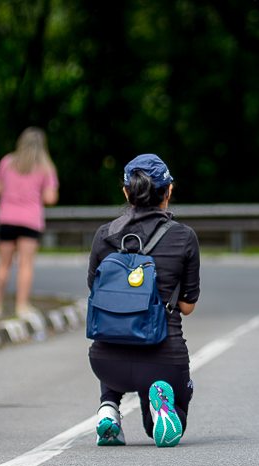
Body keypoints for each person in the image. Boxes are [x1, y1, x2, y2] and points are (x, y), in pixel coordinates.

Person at [87, 154, 200, 447]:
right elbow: (187, 307)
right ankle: (160, 404)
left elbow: (95, 292)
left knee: (116, 325)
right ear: (168, 191)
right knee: (175, 407)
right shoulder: (184, 237)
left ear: (127, 192)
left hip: (106, 363)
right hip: (163, 357)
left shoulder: (104, 235)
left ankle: (108, 409)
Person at [0, 127, 59, 319]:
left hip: (6, 218)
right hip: (30, 220)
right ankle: (21, 306)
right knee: (25, 265)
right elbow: (50, 197)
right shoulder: (45, 168)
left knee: (3, 264)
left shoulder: (7, 162)